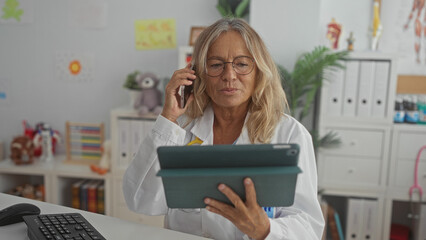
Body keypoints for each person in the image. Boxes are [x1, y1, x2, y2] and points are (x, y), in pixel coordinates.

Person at [123, 18, 324, 240]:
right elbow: (140, 201)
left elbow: (309, 229)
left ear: (258, 70)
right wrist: (168, 118)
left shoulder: (290, 134)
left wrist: (266, 231)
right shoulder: (179, 129)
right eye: (216, 64)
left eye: (241, 63)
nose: (229, 76)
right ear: (197, 74)